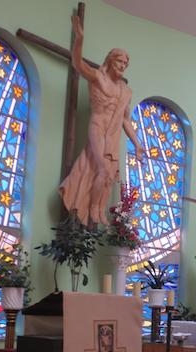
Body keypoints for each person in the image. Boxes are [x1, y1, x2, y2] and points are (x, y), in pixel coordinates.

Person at [59, 15, 145, 227]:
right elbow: (77, 63)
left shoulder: (126, 91)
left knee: (108, 177)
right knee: (103, 170)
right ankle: (93, 208)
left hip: (113, 135)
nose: (123, 65)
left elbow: (125, 120)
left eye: (126, 63)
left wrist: (137, 144)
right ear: (110, 59)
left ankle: (98, 208)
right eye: (120, 61)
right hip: (98, 128)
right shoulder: (98, 77)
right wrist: (79, 38)